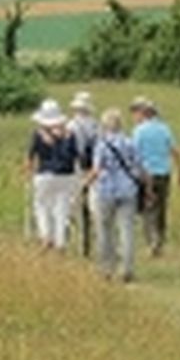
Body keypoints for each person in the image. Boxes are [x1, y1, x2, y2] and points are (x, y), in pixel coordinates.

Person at [85, 108, 145, 282]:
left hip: (105, 190)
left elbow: (96, 169)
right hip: (128, 189)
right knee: (126, 230)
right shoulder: (130, 142)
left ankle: (106, 268)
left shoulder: (101, 144)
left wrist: (86, 183)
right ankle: (127, 268)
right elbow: (138, 167)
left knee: (104, 230)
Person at [130, 96, 180, 257]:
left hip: (146, 174)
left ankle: (152, 241)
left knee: (147, 208)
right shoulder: (164, 129)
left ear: (143, 114)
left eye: (136, 113)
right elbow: (175, 151)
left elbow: (134, 154)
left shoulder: (139, 131)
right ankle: (160, 238)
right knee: (161, 207)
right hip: (164, 173)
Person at [26, 98, 79, 252]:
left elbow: (31, 156)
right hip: (66, 175)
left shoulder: (38, 134)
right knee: (61, 209)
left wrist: (28, 171)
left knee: (41, 206)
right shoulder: (69, 134)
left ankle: (46, 235)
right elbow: (76, 156)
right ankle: (60, 242)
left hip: (45, 174)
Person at [67, 90, 100, 254]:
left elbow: (71, 150)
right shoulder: (96, 125)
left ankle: (81, 243)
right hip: (94, 168)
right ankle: (93, 241)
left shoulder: (72, 125)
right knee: (93, 206)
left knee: (77, 205)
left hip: (77, 168)